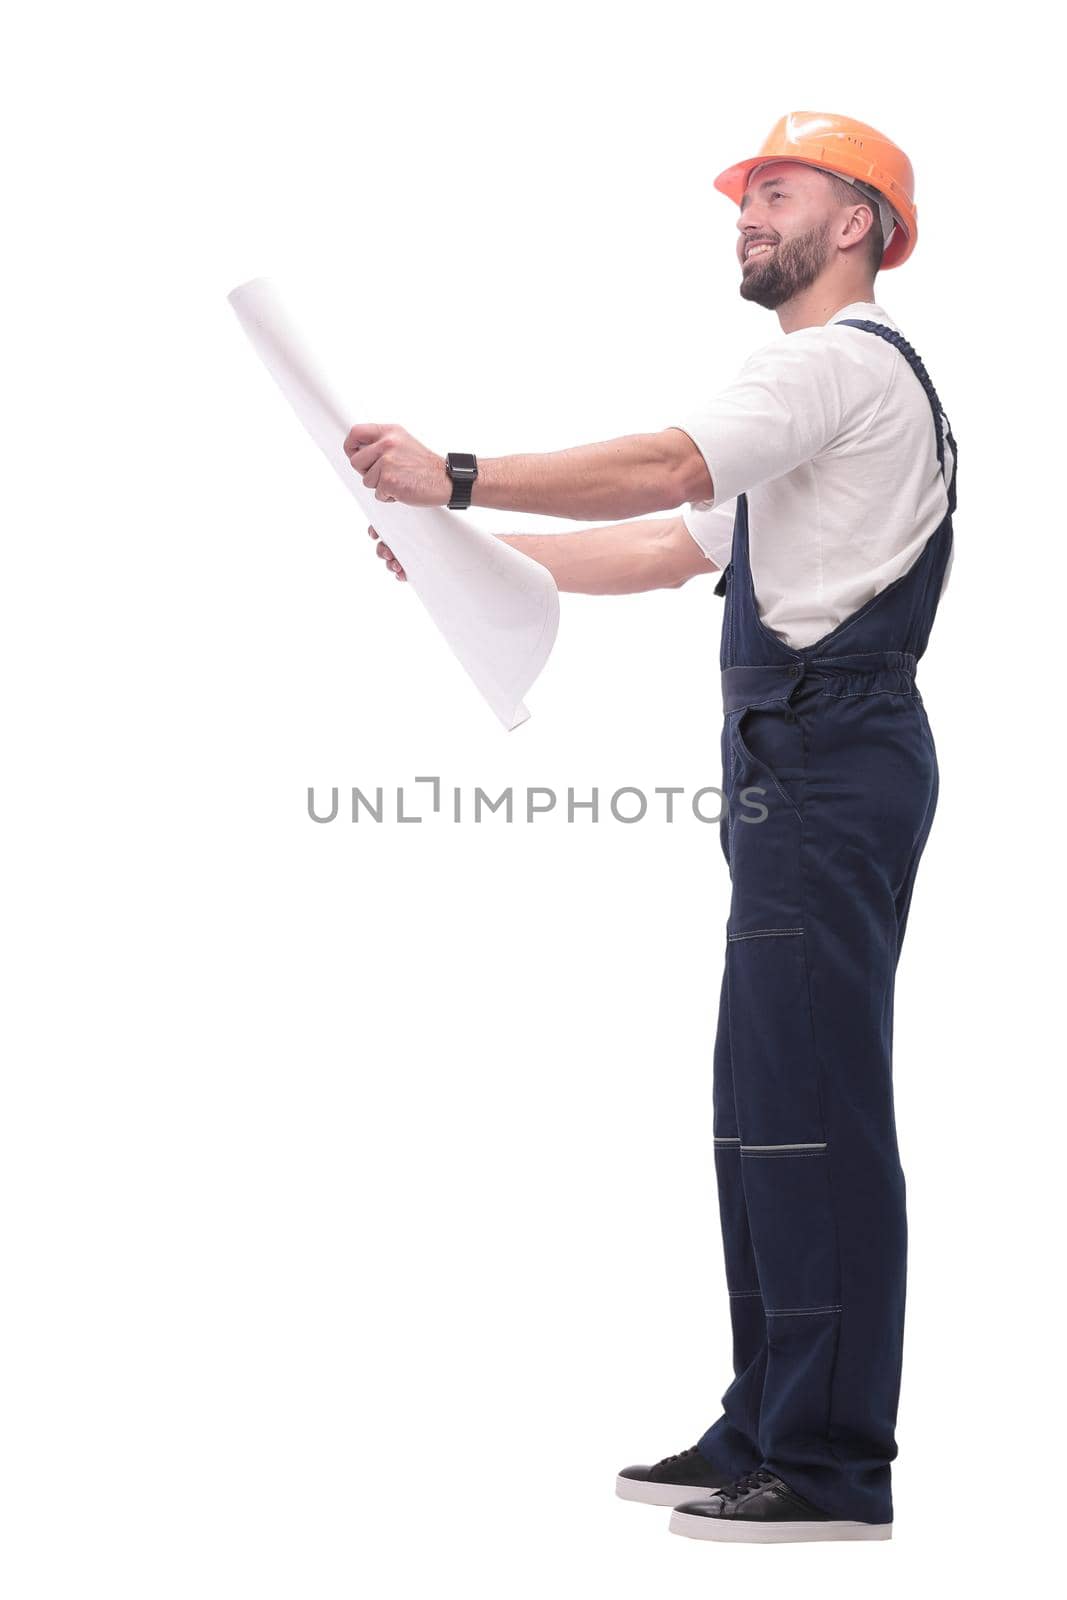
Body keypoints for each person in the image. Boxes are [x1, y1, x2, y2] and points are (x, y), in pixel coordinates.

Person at [344, 110, 957, 1545]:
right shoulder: (812, 402)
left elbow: (664, 470)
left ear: (856, 223)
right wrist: (451, 554)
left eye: (778, 192)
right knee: (762, 1113)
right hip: (796, 769)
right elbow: (663, 547)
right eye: (743, 198)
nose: (746, 215)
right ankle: (768, 1419)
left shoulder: (832, 370)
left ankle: (831, 1463)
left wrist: (461, 478)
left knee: (814, 1111)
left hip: (832, 757)